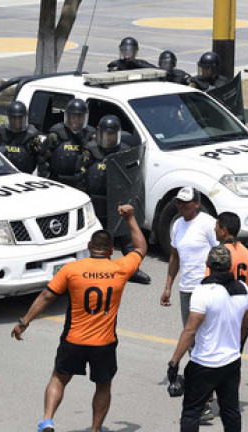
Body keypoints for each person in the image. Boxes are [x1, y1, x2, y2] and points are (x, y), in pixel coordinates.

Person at [11, 204, 146, 432]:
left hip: (73, 339)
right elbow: (140, 248)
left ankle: (47, 420)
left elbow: (46, 297)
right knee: (103, 385)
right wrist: (131, 218)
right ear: (111, 250)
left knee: (59, 378)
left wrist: (24, 321)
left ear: (88, 248)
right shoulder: (119, 268)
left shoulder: (71, 269)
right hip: (104, 343)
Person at [165, 246, 248, 432]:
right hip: (231, 361)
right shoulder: (243, 289)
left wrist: (174, 361)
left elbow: (190, 330)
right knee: (231, 410)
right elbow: (245, 325)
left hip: (204, 363)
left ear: (209, 265)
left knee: (192, 412)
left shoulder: (203, 292)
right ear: (229, 266)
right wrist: (238, 346)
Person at [82, 115, 149, 285]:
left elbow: (134, 177)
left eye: (112, 135)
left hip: (117, 200)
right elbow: (80, 175)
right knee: (96, 238)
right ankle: (92, 270)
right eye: (105, 134)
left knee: (127, 237)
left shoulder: (125, 150)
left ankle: (133, 269)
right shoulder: (90, 150)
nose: (108, 138)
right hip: (95, 201)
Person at [161, 187, 218, 326]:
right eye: (179, 202)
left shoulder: (208, 223)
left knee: (205, 332)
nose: (181, 206)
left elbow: (220, 252)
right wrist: (168, 287)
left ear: (197, 203)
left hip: (206, 288)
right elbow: (175, 257)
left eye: (185, 202)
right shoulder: (177, 225)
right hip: (186, 288)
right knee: (189, 333)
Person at [212, 212, 248, 350]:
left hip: (224, 316)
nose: (214, 229)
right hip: (242, 316)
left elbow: (210, 285)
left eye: (217, 226)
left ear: (224, 230)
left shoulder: (219, 255)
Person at [40, 98, 96, 190]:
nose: (76, 120)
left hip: (81, 184)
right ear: (68, 116)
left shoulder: (91, 135)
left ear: (84, 118)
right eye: (73, 117)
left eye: (79, 117)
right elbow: (43, 158)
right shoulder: (56, 133)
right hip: (57, 182)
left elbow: (96, 159)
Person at [0, 101, 43, 174]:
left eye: (20, 118)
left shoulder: (32, 137)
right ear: (9, 118)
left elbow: (41, 159)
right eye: (14, 118)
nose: (17, 121)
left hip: (24, 175)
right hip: (2, 173)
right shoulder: (0, 134)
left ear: (25, 118)